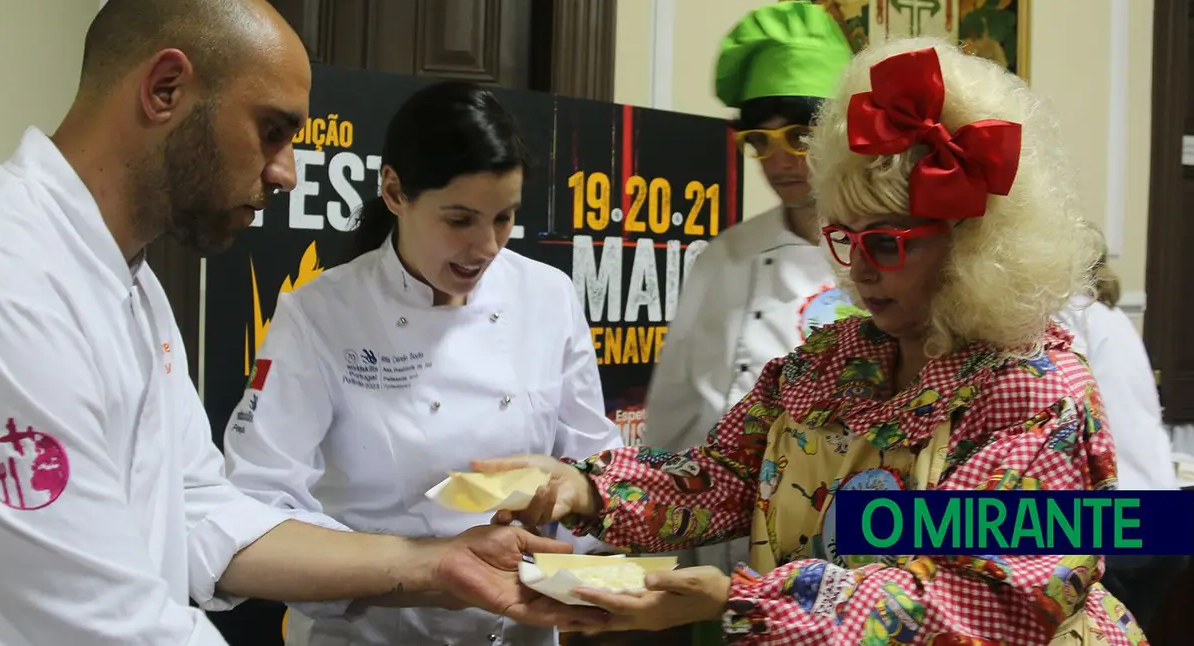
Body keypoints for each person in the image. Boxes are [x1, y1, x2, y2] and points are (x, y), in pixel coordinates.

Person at [0, 0, 605, 646]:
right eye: (272, 130)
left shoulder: (131, 285)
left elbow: (202, 511)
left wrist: (432, 564)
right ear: (164, 89)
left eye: (502, 220)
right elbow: (92, 622)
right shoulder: (3, 288)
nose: (286, 172)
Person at [477, 38, 1150, 645]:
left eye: (886, 242)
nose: (858, 268)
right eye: (845, 238)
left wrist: (744, 602)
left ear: (971, 245)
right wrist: (583, 490)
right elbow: (719, 480)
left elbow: (979, 603)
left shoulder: (1038, 398)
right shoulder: (829, 364)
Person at [221, 79, 624, 645]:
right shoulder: (319, 315)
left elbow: (597, 463)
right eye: (459, 220)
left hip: (518, 630)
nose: (486, 246)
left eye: (504, 218)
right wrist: (424, 567)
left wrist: (570, 508)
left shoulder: (548, 296)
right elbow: (256, 507)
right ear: (394, 192)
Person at [643, 1, 866, 579]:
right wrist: (647, 546)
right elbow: (678, 415)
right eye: (758, 141)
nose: (778, 160)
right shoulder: (728, 256)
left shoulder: (895, 253)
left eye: (799, 135)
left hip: (855, 564)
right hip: (725, 556)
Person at [1055, 238, 1183, 628]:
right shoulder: (1111, 317)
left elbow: (1060, 422)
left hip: (1118, 522)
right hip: (1167, 516)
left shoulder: (1066, 320)